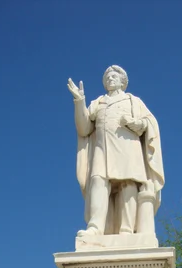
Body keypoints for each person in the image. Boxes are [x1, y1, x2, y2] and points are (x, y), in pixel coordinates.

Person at [67, 66, 164, 236]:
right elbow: (84, 129)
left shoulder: (132, 101)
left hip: (127, 146)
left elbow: (150, 122)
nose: (110, 79)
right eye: (107, 77)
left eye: (114, 76)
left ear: (122, 81)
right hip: (102, 149)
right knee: (98, 181)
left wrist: (138, 124)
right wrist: (79, 101)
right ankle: (95, 227)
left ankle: (127, 229)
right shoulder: (98, 103)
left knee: (128, 182)